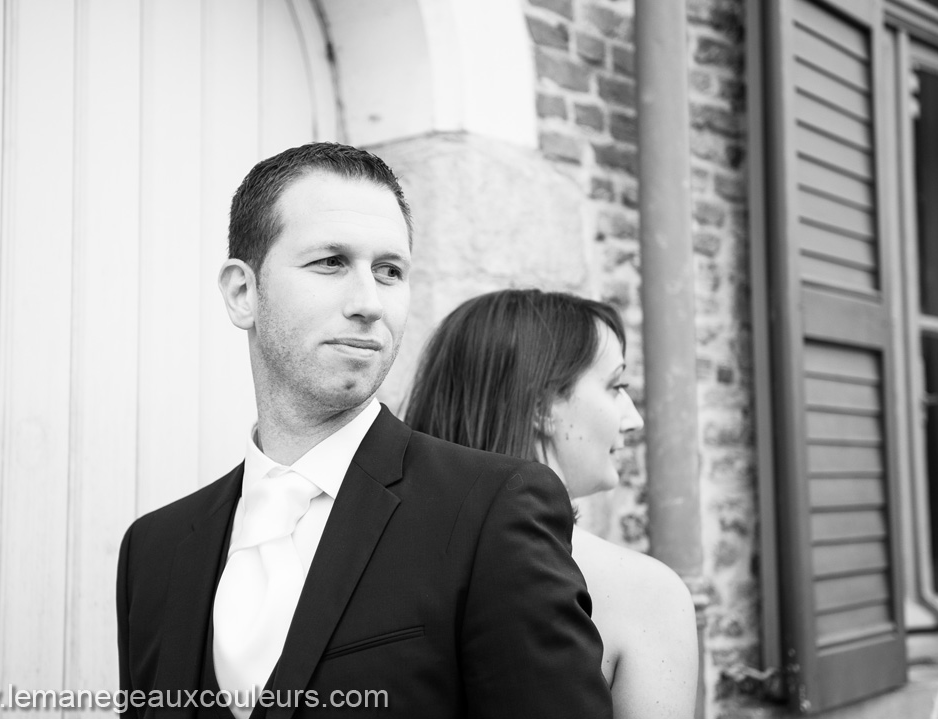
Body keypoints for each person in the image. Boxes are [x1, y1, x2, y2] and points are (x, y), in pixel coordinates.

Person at [116, 143, 612, 719]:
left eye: (389, 271)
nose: (369, 303)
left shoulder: (492, 511)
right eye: (330, 262)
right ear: (242, 292)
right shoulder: (153, 551)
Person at [405, 289, 699, 719]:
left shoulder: (370, 554)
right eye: (616, 386)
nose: (633, 418)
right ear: (542, 407)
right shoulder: (647, 594)